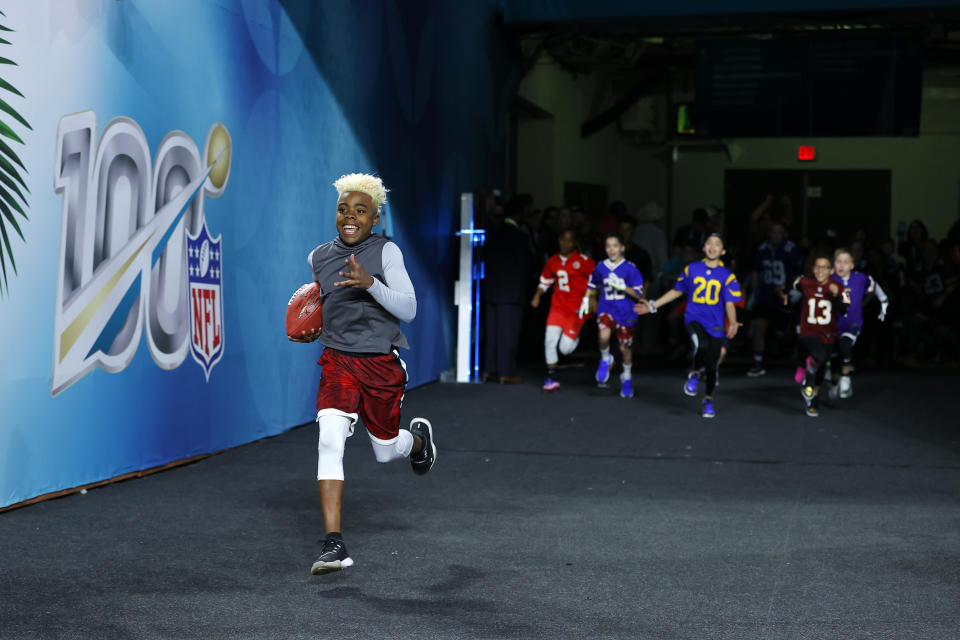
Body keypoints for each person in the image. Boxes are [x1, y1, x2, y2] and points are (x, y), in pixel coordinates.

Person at [297, 173, 436, 575]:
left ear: (375, 218)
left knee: (384, 450)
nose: (350, 217)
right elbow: (322, 303)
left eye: (361, 210)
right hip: (337, 361)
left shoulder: (386, 252)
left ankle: (417, 442)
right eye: (343, 209)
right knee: (329, 442)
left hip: (379, 363)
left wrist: (370, 283)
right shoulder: (318, 256)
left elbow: (408, 309)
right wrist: (313, 328)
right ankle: (334, 546)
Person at [635, 234, 741, 418]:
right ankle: (694, 372)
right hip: (694, 318)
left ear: (723, 251)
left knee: (712, 364)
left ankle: (708, 399)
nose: (712, 247)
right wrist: (653, 305)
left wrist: (732, 322)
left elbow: (730, 304)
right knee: (702, 345)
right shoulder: (691, 269)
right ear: (703, 248)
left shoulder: (728, 275)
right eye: (709, 243)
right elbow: (676, 291)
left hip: (715, 323)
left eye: (717, 244)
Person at [530, 229, 596, 391]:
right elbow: (545, 281)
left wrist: (594, 296)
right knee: (550, 340)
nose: (565, 244)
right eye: (562, 240)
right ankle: (551, 378)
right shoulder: (552, 261)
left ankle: (581, 331)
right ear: (559, 241)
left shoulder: (584, 261)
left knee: (565, 349)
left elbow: (596, 280)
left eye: (569, 241)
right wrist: (537, 295)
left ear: (574, 243)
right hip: (558, 308)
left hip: (577, 310)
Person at [583, 233, 645, 398]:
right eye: (608, 246)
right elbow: (592, 283)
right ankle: (605, 358)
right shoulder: (601, 266)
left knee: (624, 348)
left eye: (615, 245)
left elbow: (640, 294)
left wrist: (623, 287)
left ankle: (627, 377)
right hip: (607, 307)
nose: (612, 249)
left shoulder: (631, 267)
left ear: (622, 248)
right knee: (603, 335)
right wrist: (587, 298)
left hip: (626, 311)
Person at [784, 255, 846, 417]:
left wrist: (836, 296)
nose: (820, 271)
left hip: (827, 334)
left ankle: (813, 400)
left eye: (824, 267)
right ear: (813, 269)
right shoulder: (806, 283)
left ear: (831, 270)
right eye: (817, 267)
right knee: (817, 355)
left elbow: (844, 309)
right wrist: (794, 284)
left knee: (822, 364)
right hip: (808, 331)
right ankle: (807, 383)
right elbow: (793, 285)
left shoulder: (837, 286)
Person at [482, 199, 535, 383]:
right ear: (519, 215)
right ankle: (506, 372)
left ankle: (489, 370)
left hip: (491, 290)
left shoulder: (493, 232)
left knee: (492, 333)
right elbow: (527, 265)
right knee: (508, 334)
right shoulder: (520, 236)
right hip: (511, 292)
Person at [747, 222, 805, 376]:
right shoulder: (762, 249)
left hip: (785, 295)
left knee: (789, 331)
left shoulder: (791, 249)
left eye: (779, 232)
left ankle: (800, 359)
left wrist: (796, 290)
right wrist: (754, 291)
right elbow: (755, 271)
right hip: (766, 294)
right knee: (759, 327)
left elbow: (800, 272)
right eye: (773, 232)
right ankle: (758, 363)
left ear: (784, 234)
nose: (775, 235)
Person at [830, 248, 888, 398]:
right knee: (835, 357)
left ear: (852, 265)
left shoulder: (861, 278)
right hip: (833, 325)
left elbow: (876, 287)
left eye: (846, 262)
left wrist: (884, 302)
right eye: (838, 262)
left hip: (853, 323)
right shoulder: (829, 279)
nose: (842, 265)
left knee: (846, 343)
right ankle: (835, 382)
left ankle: (846, 377)